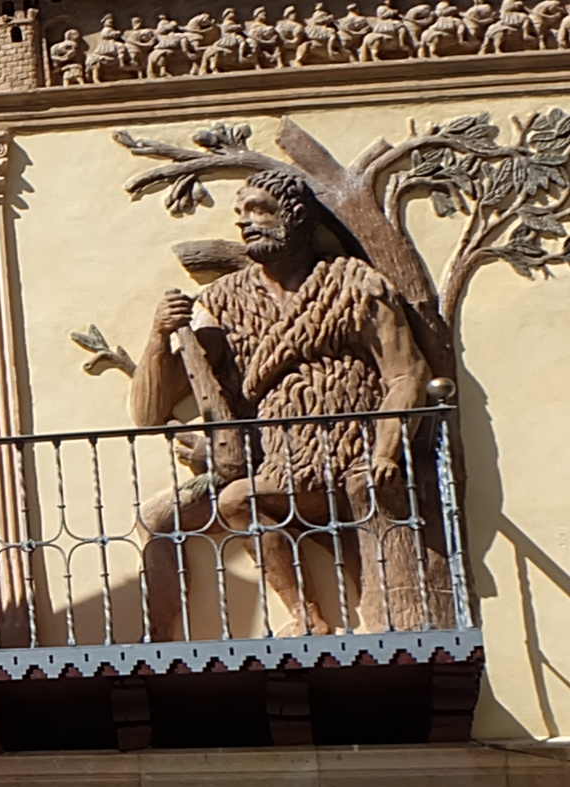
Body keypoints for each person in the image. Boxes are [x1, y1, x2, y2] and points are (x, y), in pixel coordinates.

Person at [129, 170, 438, 638]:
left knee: (239, 500)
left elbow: (406, 373)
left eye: (258, 210)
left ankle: (319, 616)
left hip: (347, 447)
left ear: (296, 217)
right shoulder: (225, 301)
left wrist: (385, 450)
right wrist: (157, 339)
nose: (245, 223)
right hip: (278, 456)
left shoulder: (353, 283)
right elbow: (149, 412)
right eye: (240, 213)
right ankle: (162, 636)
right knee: (173, 516)